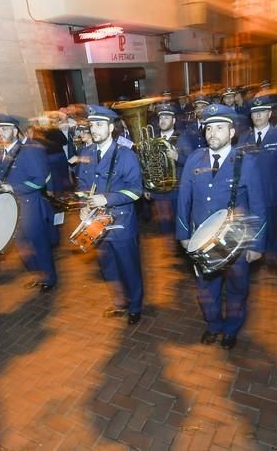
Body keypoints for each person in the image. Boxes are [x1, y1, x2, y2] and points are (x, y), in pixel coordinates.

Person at [176, 104, 266, 350]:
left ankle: (231, 329)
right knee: (206, 288)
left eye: (219, 127)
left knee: (237, 288)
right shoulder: (195, 158)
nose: (212, 133)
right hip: (202, 240)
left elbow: (258, 204)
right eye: (208, 128)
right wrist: (184, 234)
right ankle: (213, 325)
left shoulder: (246, 162)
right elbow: (184, 198)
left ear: (232, 131)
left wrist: (257, 244)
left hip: (237, 238)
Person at [76, 105, 144, 325]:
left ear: (111, 127)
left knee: (129, 267)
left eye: (98, 125)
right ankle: (120, 302)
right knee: (108, 266)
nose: (93, 129)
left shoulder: (125, 155)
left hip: (121, 222)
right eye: (91, 125)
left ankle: (135, 305)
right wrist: (83, 205)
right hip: (97, 223)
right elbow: (83, 185)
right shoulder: (86, 153)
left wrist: (107, 199)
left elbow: (136, 190)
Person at [0, 114, 58, 290]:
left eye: (5, 129)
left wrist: (14, 188)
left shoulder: (29, 150)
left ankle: (48, 278)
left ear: (15, 130)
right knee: (22, 244)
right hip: (11, 206)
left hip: (30, 204)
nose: (0, 133)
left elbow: (39, 180)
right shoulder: (0, 152)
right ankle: (37, 275)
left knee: (38, 243)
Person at [236, 95, 277, 267]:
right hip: (249, 193)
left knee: (272, 226)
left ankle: (275, 256)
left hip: (271, 191)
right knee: (252, 224)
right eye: (254, 113)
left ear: (269, 114)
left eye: (262, 112)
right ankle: (255, 253)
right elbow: (236, 165)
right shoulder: (244, 138)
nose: (258, 116)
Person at [148, 103, 195, 234]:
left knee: (179, 224)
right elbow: (148, 165)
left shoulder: (182, 138)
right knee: (164, 225)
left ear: (173, 121)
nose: (163, 121)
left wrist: (177, 157)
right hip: (158, 191)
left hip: (176, 190)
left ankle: (181, 250)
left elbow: (192, 163)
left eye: (167, 118)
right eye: (161, 118)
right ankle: (170, 252)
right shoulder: (153, 140)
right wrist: (147, 187)